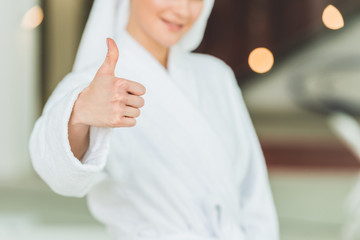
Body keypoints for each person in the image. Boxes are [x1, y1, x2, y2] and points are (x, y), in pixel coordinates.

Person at [29, 0, 279, 239]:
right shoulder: (91, 85)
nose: (182, 9)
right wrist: (80, 114)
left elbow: (254, 196)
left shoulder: (216, 76)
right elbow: (55, 171)